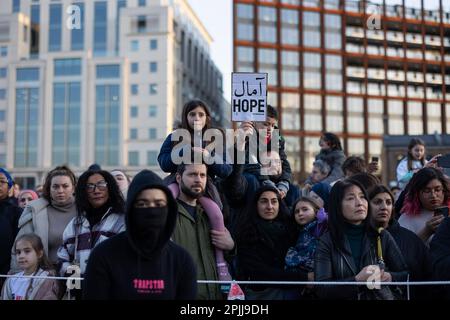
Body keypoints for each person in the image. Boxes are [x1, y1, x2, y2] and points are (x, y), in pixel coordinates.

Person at [83, 170, 197, 300]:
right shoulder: (103, 255)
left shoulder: (181, 260)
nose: (152, 210)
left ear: (169, 210)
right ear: (131, 209)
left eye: (159, 204)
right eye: (142, 204)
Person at [158, 100, 233, 285]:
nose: (196, 118)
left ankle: (221, 263)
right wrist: (184, 151)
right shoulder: (175, 136)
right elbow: (163, 162)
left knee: (216, 212)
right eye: (192, 114)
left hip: (206, 188)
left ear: (207, 117)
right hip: (179, 183)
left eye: (200, 114)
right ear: (186, 117)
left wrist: (209, 157)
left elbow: (226, 169)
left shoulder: (216, 139)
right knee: (165, 199)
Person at [314, 179, 408, 300]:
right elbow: (321, 289)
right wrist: (357, 280)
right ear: (337, 205)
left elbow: (405, 274)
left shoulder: (381, 236)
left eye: (363, 197)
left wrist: (388, 277)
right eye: (350, 198)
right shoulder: (327, 241)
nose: (360, 203)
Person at [172, 163, 235, 300]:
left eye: (202, 175)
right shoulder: (167, 214)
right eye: (192, 174)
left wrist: (231, 247)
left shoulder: (213, 215)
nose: (198, 180)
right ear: (178, 178)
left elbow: (231, 258)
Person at [234, 185, 304, 300]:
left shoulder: (292, 229)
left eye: (274, 201)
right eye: (264, 202)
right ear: (256, 205)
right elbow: (259, 272)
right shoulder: (246, 232)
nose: (269, 207)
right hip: (262, 294)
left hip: (292, 291)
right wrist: (303, 278)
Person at [57, 170, 125, 278]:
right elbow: (62, 258)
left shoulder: (122, 221)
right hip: (80, 291)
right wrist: (76, 279)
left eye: (101, 184)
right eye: (90, 186)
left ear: (110, 188)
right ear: (83, 192)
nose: (96, 190)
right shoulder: (75, 224)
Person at [369, 185, 431, 299]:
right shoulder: (359, 237)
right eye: (377, 202)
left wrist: (392, 277)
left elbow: (423, 276)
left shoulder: (411, 239)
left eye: (388, 202)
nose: (384, 207)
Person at [11, 166, 78, 273]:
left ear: (73, 188)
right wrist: (17, 277)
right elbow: (19, 247)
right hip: (44, 276)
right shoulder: (37, 211)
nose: (60, 191)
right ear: (49, 189)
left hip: (78, 276)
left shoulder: (85, 211)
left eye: (65, 186)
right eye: (55, 187)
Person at [285, 196, 328, 299]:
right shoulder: (299, 232)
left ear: (316, 211)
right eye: (297, 211)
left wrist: (324, 220)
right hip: (302, 281)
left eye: (305, 209)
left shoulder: (320, 226)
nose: (300, 213)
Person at [398, 167, 449, 244]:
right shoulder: (406, 219)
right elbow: (403, 251)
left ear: (444, 191)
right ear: (417, 193)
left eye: (437, 190)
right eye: (427, 191)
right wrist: (426, 232)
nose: (433, 195)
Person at [1, 233, 59, 300]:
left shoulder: (46, 280)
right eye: (18, 252)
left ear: (39, 254)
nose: (21, 256)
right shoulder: (12, 280)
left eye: (27, 251)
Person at [0, 168, 23, 282]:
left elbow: (18, 243)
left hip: (7, 271)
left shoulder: (16, 212)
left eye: (2, 181)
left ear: (9, 186)